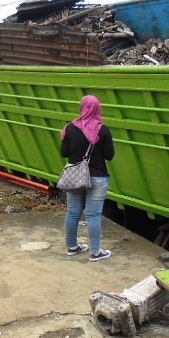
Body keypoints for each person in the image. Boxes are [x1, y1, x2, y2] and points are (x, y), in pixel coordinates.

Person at [60, 95, 115, 262]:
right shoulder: (102, 129)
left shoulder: (69, 128)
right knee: (93, 215)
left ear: (81, 107)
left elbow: (64, 153)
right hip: (97, 177)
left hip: (75, 177)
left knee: (73, 212)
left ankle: (72, 247)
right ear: (98, 108)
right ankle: (96, 252)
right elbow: (109, 155)